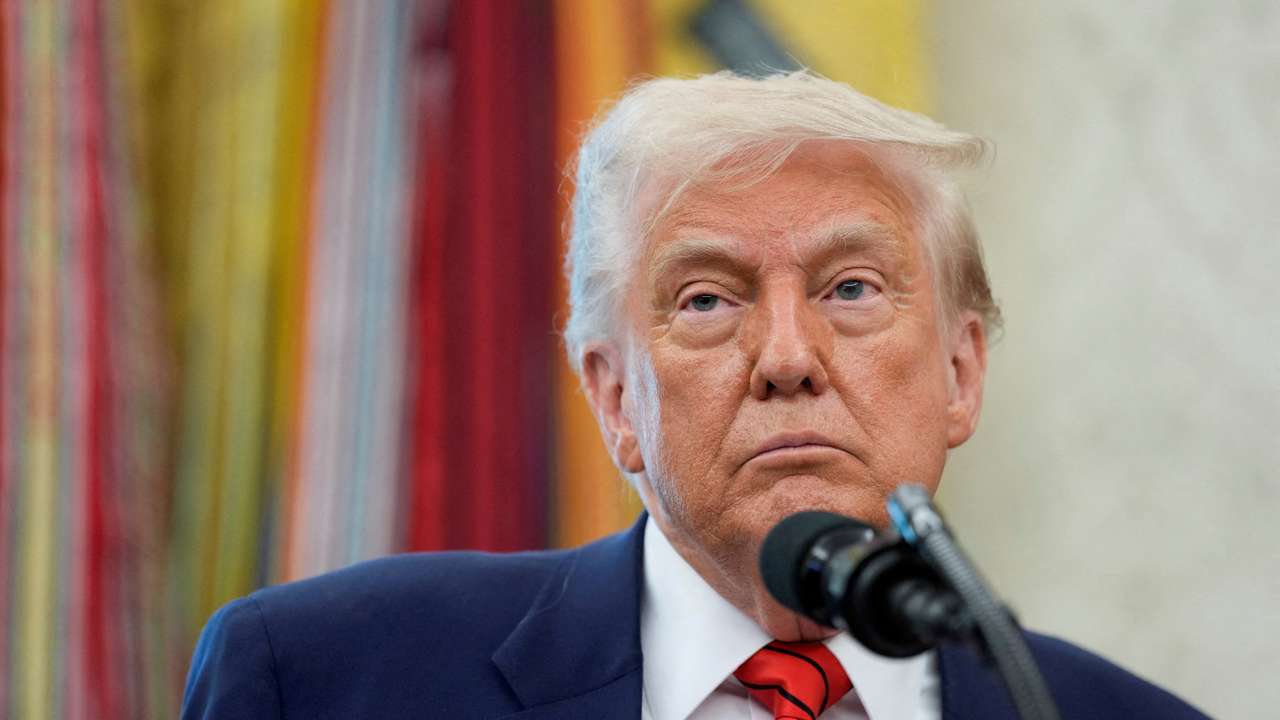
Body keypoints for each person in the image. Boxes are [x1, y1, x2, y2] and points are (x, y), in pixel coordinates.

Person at [182, 72, 1207, 719]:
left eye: (850, 288)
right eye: (708, 299)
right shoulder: (323, 681)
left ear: (958, 373)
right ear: (617, 396)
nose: (787, 356)